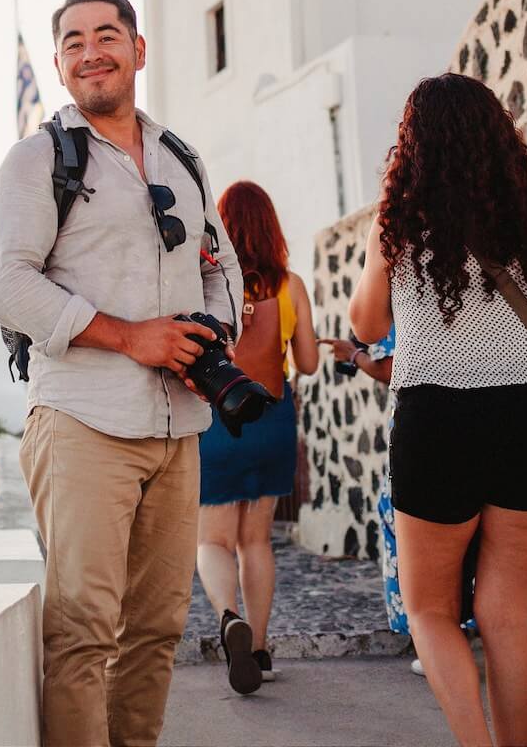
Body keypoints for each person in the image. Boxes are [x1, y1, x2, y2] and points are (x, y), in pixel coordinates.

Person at [0, 0, 243, 747]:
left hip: (178, 428)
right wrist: (134, 338)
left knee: (157, 630)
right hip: (82, 421)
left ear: (138, 49)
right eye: (72, 41)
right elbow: (4, 285)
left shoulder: (182, 156)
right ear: (62, 67)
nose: (90, 50)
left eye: (106, 34)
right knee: (84, 633)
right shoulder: (37, 161)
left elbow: (219, 266)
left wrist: (207, 332)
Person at [348, 72, 527, 747]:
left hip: (436, 423)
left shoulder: (397, 224)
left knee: (431, 612)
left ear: (413, 148)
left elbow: (365, 321)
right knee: (506, 616)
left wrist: (383, 248)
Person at [193, 180, 322, 690]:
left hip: (218, 418)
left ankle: (231, 620)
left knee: (213, 540)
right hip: (272, 419)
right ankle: (262, 648)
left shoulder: (207, 282)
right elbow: (307, 363)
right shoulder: (290, 286)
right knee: (256, 541)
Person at [328, 328, 479, 680]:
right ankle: (464, 633)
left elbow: (392, 366)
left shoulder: (412, 280)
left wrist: (353, 356)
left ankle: (437, 648)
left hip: (425, 424)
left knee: (415, 537)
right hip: (485, 417)